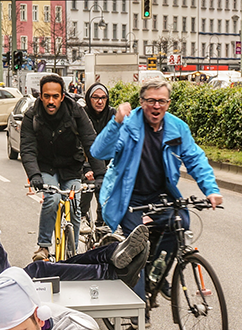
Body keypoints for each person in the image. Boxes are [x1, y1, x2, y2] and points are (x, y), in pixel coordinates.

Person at [91, 77, 222, 299]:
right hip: (129, 199)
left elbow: (195, 158)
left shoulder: (177, 127)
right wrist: (116, 122)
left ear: (168, 103)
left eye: (162, 101)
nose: (156, 105)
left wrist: (210, 189)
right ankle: (138, 309)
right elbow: (99, 151)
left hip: (160, 196)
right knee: (138, 246)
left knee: (181, 221)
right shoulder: (129, 125)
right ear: (141, 102)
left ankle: (156, 274)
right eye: (151, 100)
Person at [0, 201, 149, 288]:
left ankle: (112, 257)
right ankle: (113, 270)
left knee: (50, 267)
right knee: (40, 269)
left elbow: (2, 269)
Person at [19, 74, 104, 261]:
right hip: (46, 167)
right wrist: (34, 175)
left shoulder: (76, 112)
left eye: (55, 96)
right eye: (46, 96)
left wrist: (100, 175)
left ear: (62, 96)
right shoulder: (31, 116)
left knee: (74, 206)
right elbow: (27, 148)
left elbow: (91, 142)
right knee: (53, 198)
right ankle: (43, 247)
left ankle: (72, 253)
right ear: (40, 96)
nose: (51, 101)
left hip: (71, 167)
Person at [81, 83, 113, 229]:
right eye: (95, 97)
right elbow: (76, 145)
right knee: (87, 187)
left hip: (108, 165)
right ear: (89, 98)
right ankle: (81, 217)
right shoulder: (81, 114)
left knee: (107, 194)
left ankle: (103, 222)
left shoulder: (113, 115)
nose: (100, 101)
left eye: (103, 98)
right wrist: (87, 168)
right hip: (86, 166)